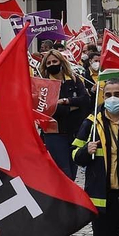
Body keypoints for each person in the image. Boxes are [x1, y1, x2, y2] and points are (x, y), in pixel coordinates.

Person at [76, 78, 119, 236]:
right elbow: (75, 153)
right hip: (102, 199)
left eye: (117, 94)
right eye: (108, 95)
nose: (113, 98)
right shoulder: (92, 121)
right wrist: (85, 151)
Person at [39, 50, 91, 178]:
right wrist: (71, 108)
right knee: (64, 171)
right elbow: (50, 109)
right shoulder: (44, 84)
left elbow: (85, 100)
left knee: (73, 172)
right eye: (49, 62)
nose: (52, 64)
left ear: (61, 62)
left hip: (74, 131)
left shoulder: (73, 79)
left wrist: (66, 101)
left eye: (54, 61)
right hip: (54, 133)